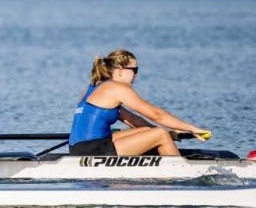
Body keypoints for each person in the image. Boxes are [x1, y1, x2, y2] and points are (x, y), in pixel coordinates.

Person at [69, 49, 209, 156]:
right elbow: (157, 115)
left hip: (79, 147)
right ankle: (180, 174)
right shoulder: (117, 88)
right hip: (93, 151)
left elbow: (132, 119)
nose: (136, 75)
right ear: (120, 71)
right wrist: (190, 128)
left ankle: (163, 156)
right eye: (134, 70)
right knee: (160, 134)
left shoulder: (96, 86)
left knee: (153, 131)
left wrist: (172, 133)